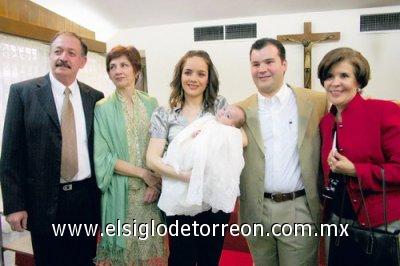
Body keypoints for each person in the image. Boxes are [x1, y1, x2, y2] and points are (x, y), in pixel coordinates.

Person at [0, 32, 104, 266]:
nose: (63, 57)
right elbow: (10, 154)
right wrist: (15, 206)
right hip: (43, 201)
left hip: (84, 199)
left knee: (84, 260)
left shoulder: (95, 98)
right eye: (57, 51)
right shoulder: (23, 93)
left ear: (82, 62)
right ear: (50, 55)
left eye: (71, 53)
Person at [237, 38, 327, 266]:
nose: (262, 69)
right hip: (256, 210)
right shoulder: (240, 110)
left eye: (269, 61)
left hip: (299, 209)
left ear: (284, 64)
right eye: (255, 64)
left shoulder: (315, 101)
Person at [146, 50, 231, 266]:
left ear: (208, 78)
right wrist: (185, 176)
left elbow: (235, 141)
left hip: (213, 201)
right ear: (180, 76)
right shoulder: (164, 114)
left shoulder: (220, 107)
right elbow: (152, 159)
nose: (193, 79)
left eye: (201, 74)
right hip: (179, 200)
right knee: (180, 259)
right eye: (188, 72)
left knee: (209, 260)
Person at [318, 47, 400, 261]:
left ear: (358, 81)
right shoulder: (326, 123)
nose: (335, 83)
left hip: (380, 224)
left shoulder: (384, 112)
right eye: (329, 76)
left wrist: (356, 170)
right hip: (337, 220)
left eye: (344, 75)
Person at [93, 45, 167, 266]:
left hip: (149, 196)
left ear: (136, 70)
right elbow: (103, 157)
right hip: (120, 194)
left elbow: (160, 148)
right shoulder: (102, 108)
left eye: (124, 65)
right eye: (112, 67)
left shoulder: (151, 103)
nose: (118, 71)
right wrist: (143, 174)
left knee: (149, 255)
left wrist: (154, 184)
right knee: (122, 257)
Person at [159, 104, 247, 216]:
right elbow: (195, 132)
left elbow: (224, 150)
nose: (223, 113)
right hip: (189, 164)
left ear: (232, 125)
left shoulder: (230, 132)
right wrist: (197, 133)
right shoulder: (209, 120)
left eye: (228, 116)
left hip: (209, 165)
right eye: (224, 109)